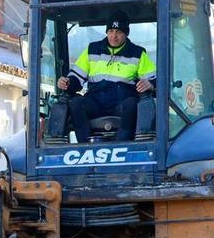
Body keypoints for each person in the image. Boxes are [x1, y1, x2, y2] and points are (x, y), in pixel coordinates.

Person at [57, 10, 156, 142]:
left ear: (126, 33)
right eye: (111, 31)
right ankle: (84, 147)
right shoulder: (92, 50)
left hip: (121, 102)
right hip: (95, 101)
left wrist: (150, 84)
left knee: (132, 103)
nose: (114, 36)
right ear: (107, 32)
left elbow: (155, 79)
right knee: (76, 103)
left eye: (119, 32)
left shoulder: (137, 53)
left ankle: (122, 146)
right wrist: (67, 82)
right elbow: (76, 78)